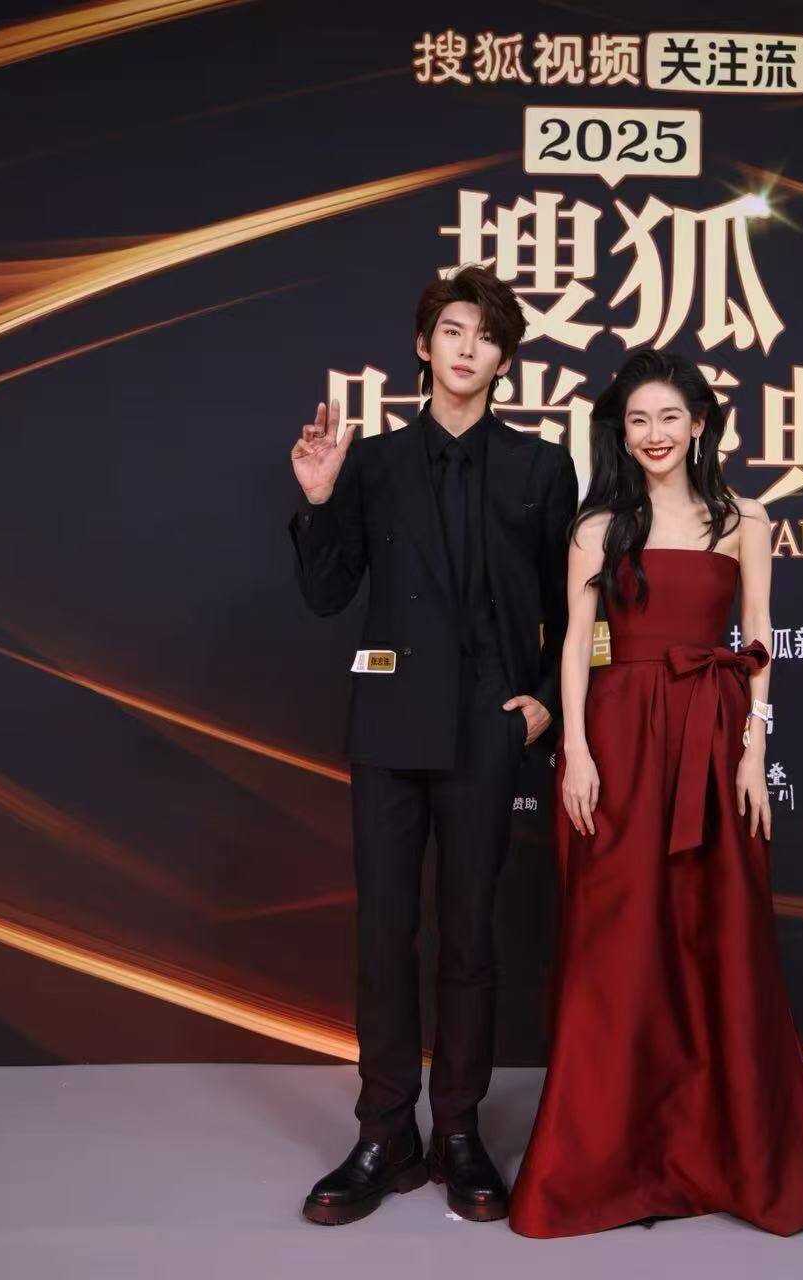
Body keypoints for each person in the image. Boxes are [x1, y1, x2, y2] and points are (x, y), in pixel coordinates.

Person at [509, 349, 803, 1238]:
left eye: (668, 418)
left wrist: (752, 747)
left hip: (712, 733)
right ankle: (607, 1164)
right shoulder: (597, 527)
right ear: (621, 434)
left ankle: (721, 1153)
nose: (653, 435)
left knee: (717, 935)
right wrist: (576, 752)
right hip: (618, 739)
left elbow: (758, 636)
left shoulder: (744, 519)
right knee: (617, 947)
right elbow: (575, 643)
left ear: (698, 425)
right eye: (637, 421)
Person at [286, 264, 579, 1225]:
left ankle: (457, 1130)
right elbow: (327, 595)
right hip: (388, 724)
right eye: (453, 330)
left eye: (486, 336)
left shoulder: (541, 470)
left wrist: (544, 704)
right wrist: (319, 499)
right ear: (424, 345)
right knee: (383, 933)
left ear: (504, 359)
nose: (467, 348)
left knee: (469, 934)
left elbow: (572, 609)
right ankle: (384, 1133)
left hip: (487, 727)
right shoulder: (370, 463)